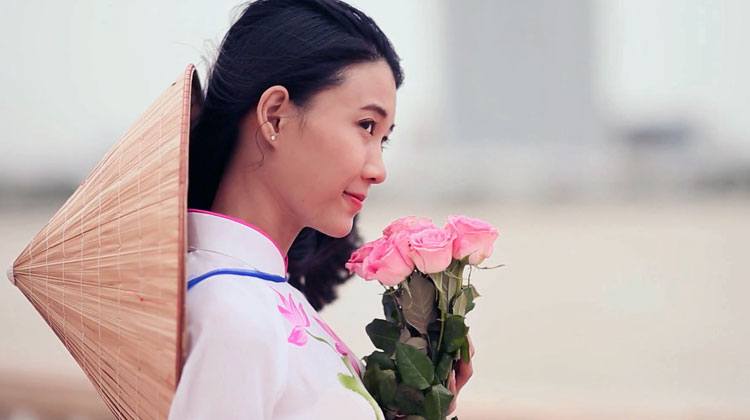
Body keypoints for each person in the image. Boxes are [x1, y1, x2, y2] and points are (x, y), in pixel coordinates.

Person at [169, 0, 473, 418]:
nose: (378, 170)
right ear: (274, 117)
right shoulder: (233, 315)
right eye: (366, 126)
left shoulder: (257, 294)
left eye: (383, 139)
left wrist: (426, 405)